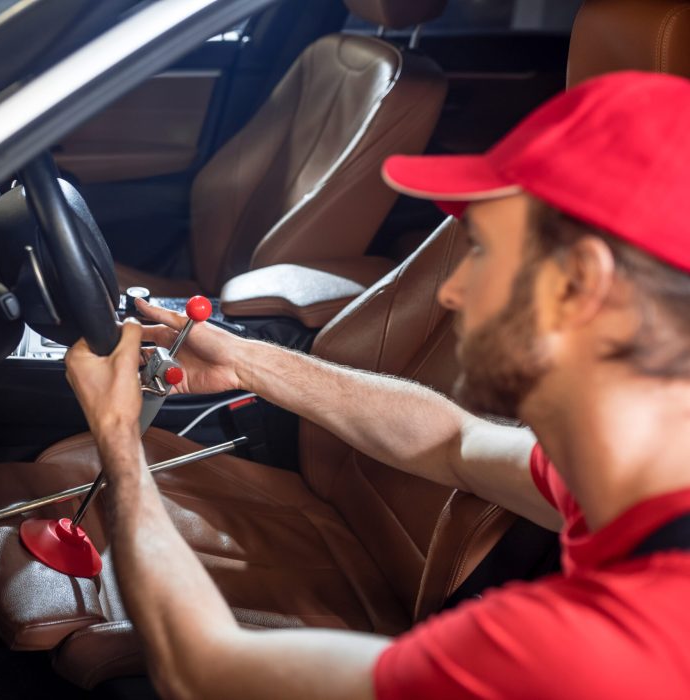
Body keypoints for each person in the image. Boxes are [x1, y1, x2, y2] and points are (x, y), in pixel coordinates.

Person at [63, 71, 690, 699]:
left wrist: (119, 439)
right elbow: (454, 443)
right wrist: (246, 360)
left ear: (577, 285)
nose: (453, 291)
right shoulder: (643, 473)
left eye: (484, 252)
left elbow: (203, 674)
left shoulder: (597, 654)